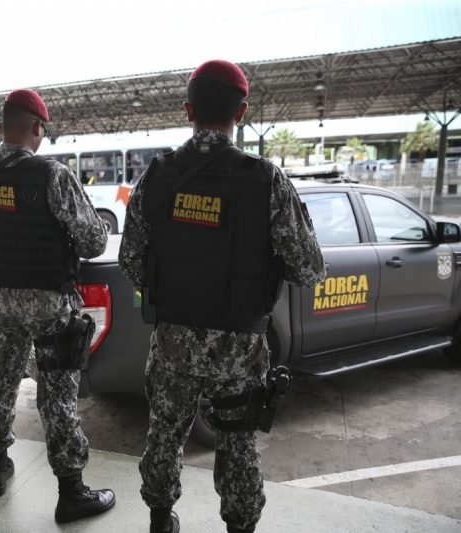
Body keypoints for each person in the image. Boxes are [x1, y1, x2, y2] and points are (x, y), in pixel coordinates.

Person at [119, 60, 325, 533]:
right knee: (236, 444)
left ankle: (158, 519)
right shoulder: (267, 181)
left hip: (172, 341)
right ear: (243, 111)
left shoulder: (156, 177)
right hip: (240, 347)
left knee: (165, 434)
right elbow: (309, 269)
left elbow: (132, 261)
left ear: (189, 109)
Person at [0, 89, 116, 523]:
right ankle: (71, 492)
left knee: (2, 381)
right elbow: (94, 240)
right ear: (36, 127)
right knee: (57, 397)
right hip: (50, 301)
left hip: (2, 299)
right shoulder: (52, 174)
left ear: (2, 125)